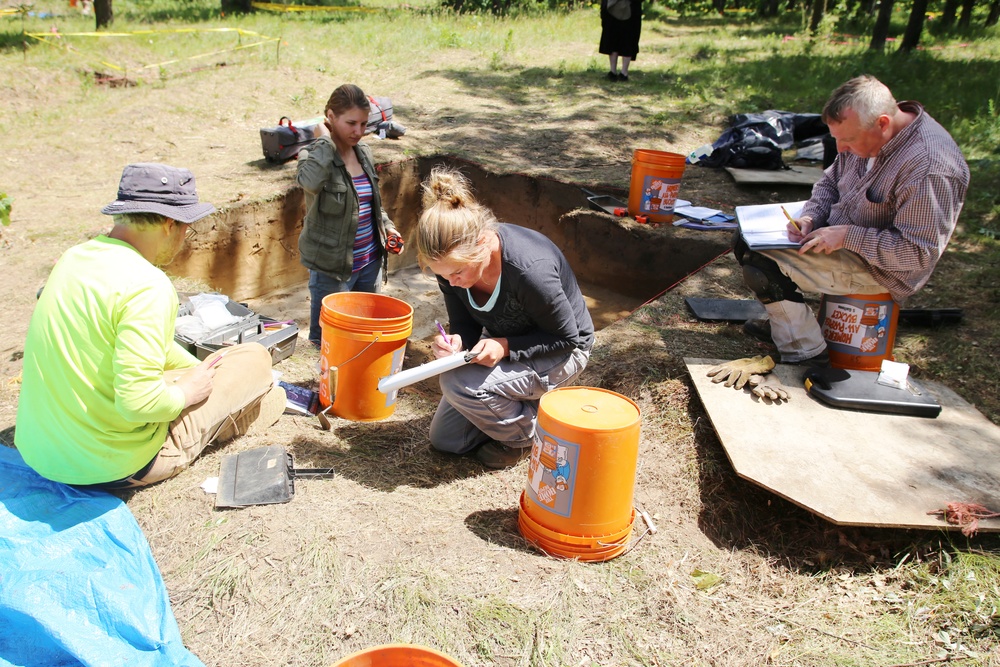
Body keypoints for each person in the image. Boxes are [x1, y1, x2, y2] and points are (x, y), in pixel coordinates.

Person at [15, 163, 285, 489]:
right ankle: (246, 410)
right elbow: (137, 404)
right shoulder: (149, 286)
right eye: (187, 228)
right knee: (255, 358)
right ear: (170, 225)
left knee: (219, 370)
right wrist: (186, 391)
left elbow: (120, 345)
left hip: (42, 452)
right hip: (111, 466)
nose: (186, 237)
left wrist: (202, 367)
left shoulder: (74, 258)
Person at [734, 75, 970, 365]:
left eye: (847, 140)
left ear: (883, 123)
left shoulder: (929, 168)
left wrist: (847, 236)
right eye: (836, 139)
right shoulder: (865, 134)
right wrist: (812, 216)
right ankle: (791, 326)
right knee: (744, 241)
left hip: (883, 267)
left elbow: (917, 253)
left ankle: (807, 352)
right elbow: (829, 183)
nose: (841, 148)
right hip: (844, 240)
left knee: (762, 264)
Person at [416, 167, 594, 469]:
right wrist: (458, 343)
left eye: (458, 273)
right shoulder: (450, 266)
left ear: (484, 243)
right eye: (443, 275)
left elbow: (566, 338)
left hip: (563, 350)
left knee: (459, 383)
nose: (452, 282)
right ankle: (522, 403)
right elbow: (466, 324)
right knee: (448, 441)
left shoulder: (529, 270)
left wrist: (504, 347)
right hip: (512, 341)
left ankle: (530, 436)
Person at [297, 83, 403, 347]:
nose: (358, 132)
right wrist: (323, 140)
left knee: (365, 334)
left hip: (370, 262)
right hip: (333, 269)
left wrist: (388, 228)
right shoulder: (312, 155)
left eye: (364, 124)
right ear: (331, 117)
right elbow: (309, 183)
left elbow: (370, 203)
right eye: (351, 123)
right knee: (328, 340)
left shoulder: (363, 152)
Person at [599, 0, 642, 82]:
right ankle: (621, 73)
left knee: (617, 38)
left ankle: (615, 72)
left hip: (622, 9)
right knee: (624, 39)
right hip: (628, 9)